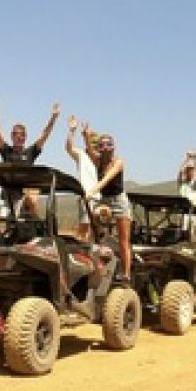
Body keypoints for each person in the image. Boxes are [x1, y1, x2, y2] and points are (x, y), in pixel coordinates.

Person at [0, 98, 60, 216]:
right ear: (11, 136)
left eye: (22, 135)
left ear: (25, 137)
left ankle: (35, 223)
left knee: (32, 196)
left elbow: (45, 134)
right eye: (15, 134)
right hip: (9, 197)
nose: (19, 137)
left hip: (24, 196)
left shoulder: (30, 152)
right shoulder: (6, 151)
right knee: (5, 220)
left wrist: (54, 117)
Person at [83, 129, 132, 280]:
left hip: (118, 200)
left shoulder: (118, 162)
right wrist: (85, 136)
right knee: (95, 220)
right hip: (105, 200)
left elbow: (107, 179)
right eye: (102, 145)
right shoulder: (97, 160)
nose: (106, 147)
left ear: (113, 146)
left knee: (124, 240)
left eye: (109, 144)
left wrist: (92, 191)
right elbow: (89, 150)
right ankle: (98, 258)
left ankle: (126, 273)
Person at [64, 115, 99, 241]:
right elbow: (68, 148)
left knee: (97, 229)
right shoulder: (81, 155)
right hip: (87, 196)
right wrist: (72, 131)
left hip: (100, 197)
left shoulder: (100, 158)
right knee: (84, 227)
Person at [177, 149, 196, 238]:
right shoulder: (182, 183)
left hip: (192, 209)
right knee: (182, 228)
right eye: (188, 170)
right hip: (182, 209)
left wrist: (195, 160)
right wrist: (187, 160)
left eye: (192, 171)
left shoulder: (193, 184)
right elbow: (180, 172)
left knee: (192, 229)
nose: (190, 172)